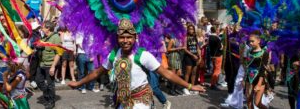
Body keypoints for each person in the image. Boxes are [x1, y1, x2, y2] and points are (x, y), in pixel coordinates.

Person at [67, 19, 205, 109]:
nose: (125, 40)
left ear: (135, 38)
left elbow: (167, 73)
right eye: (122, 37)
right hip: (121, 102)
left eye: (129, 37)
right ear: (117, 38)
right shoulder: (113, 55)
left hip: (141, 102)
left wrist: (190, 86)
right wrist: (78, 83)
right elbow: (97, 72)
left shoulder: (143, 55)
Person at [36, 21, 63, 109]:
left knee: (50, 84)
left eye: (43, 27)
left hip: (50, 64)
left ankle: (51, 101)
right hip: (42, 63)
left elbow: (58, 53)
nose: (41, 29)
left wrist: (53, 66)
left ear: (48, 28)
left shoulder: (56, 38)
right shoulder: (44, 37)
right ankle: (47, 94)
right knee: (38, 81)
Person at [245, 30, 269, 109]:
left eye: (252, 41)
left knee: (257, 103)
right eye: (249, 41)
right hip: (249, 78)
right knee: (248, 99)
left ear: (259, 41)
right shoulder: (249, 51)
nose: (250, 43)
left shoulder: (264, 53)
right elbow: (247, 65)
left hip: (259, 79)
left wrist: (259, 84)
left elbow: (262, 70)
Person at [182, 24, 201, 95]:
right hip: (188, 57)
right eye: (190, 29)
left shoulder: (195, 37)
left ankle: (192, 87)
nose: (191, 30)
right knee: (187, 73)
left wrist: (200, 56)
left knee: (194, 73)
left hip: (195, 57)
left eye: (192, 29)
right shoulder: (186, 38)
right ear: (187, 30)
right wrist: (192, 55)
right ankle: (185, 87)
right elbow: (184, 48)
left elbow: (198, 48)